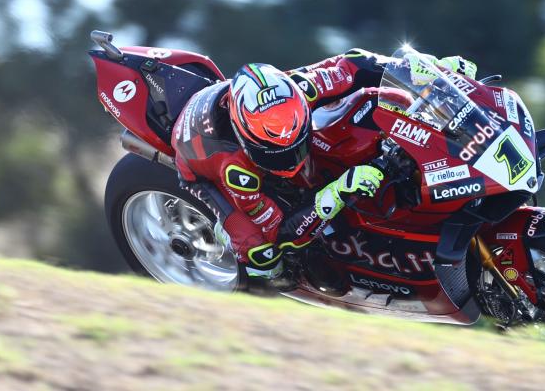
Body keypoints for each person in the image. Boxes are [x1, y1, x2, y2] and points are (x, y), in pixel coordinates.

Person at [171, 48, 477, 288]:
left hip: (241, 114)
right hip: (198, 170)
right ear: (247, 141)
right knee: (262, 257)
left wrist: (427, 69)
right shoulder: (236, 172)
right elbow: (278, 231)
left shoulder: (301, 88)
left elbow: (355, 63)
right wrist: (339, 190)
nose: (291, 161)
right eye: (278, 155)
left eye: (296, 145)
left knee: (374, 104)